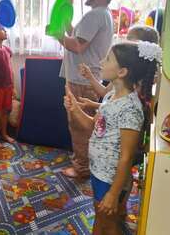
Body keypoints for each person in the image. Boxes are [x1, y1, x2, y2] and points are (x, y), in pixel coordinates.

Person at [64, 41, 161, 234]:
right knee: (102, 218)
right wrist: (74, 109)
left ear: (122, 72)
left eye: (108, 59)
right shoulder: (111, 97)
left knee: (107, 224)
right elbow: (94, 126)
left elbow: (126, 157)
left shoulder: (131, 109)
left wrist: (113, 193)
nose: (101, 61)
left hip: (111, 180)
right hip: (100, 173)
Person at [58, 0, 117, 179]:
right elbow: (76, 35)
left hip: (81, 80)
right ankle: (83, 162)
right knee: (84, 123)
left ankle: (81, 167)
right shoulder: (103, 14)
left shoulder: (96, 15)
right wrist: (64, 20)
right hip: (86, 78)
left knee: (79, 125)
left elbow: (77, 45)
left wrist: (56, 33)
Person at [78, 25, 160, 101]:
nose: (125, 42)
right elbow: (106, 93)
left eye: (129, 39)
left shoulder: (134, 83)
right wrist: (90, 77)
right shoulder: (119, 70)